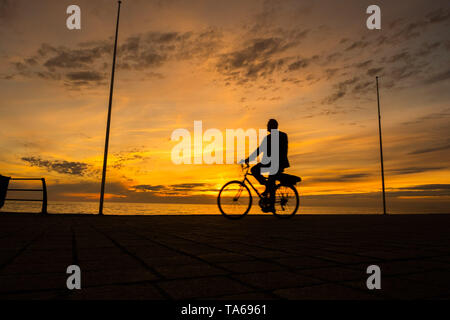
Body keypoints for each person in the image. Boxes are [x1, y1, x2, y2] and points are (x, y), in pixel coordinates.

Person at [243, 119, 289, 212]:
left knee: (267, 177)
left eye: (268, 125)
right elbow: (259, 150)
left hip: (277, 163)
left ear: (272, 126)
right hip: (273, 163)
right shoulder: (275, 137)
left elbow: (282, 150)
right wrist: (249, 158)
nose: (267, 127)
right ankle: (267, 186)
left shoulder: (277, 137)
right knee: (257, 171)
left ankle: (271, 204)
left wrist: (248, 159)